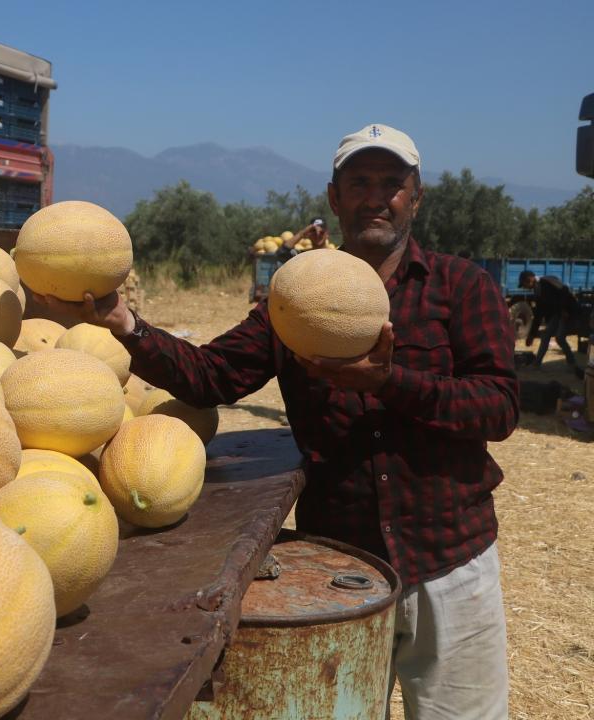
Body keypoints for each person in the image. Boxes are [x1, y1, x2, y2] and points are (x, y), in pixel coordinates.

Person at [35, 123, 517, 719]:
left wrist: (388, 383)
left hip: (450, 562)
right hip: (337, 568)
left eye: (392, 184)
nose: (376, 196)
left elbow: (497, 408)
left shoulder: (462, 287)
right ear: (334, 198)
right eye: (359, 182)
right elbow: (213, 376)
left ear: (415, 197)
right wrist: (127, 325)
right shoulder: (294, 297)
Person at [519, 270, 583, 379]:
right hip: (557, 313)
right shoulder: (537, 291)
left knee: (559, 337)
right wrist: (532, 335)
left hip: (567, 311)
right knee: (546, 336)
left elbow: (565, 290)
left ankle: (572, 364)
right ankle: (536, 364)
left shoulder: (548, 281)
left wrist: (563, 309)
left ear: (529, 279)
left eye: (524, 284)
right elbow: (538, 314)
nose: (524, 287)